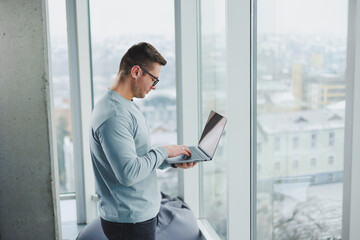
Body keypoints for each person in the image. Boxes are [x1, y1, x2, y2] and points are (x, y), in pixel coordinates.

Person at [89, 42, 196, 240]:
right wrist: (164, 151)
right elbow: (128, 173)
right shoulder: (114, 115)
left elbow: (137, 156)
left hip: (137, 215)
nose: (154, 87)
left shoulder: (125, 105)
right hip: (129, 221)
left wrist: (171, 161)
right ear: (136, 71)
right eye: (154, 79)